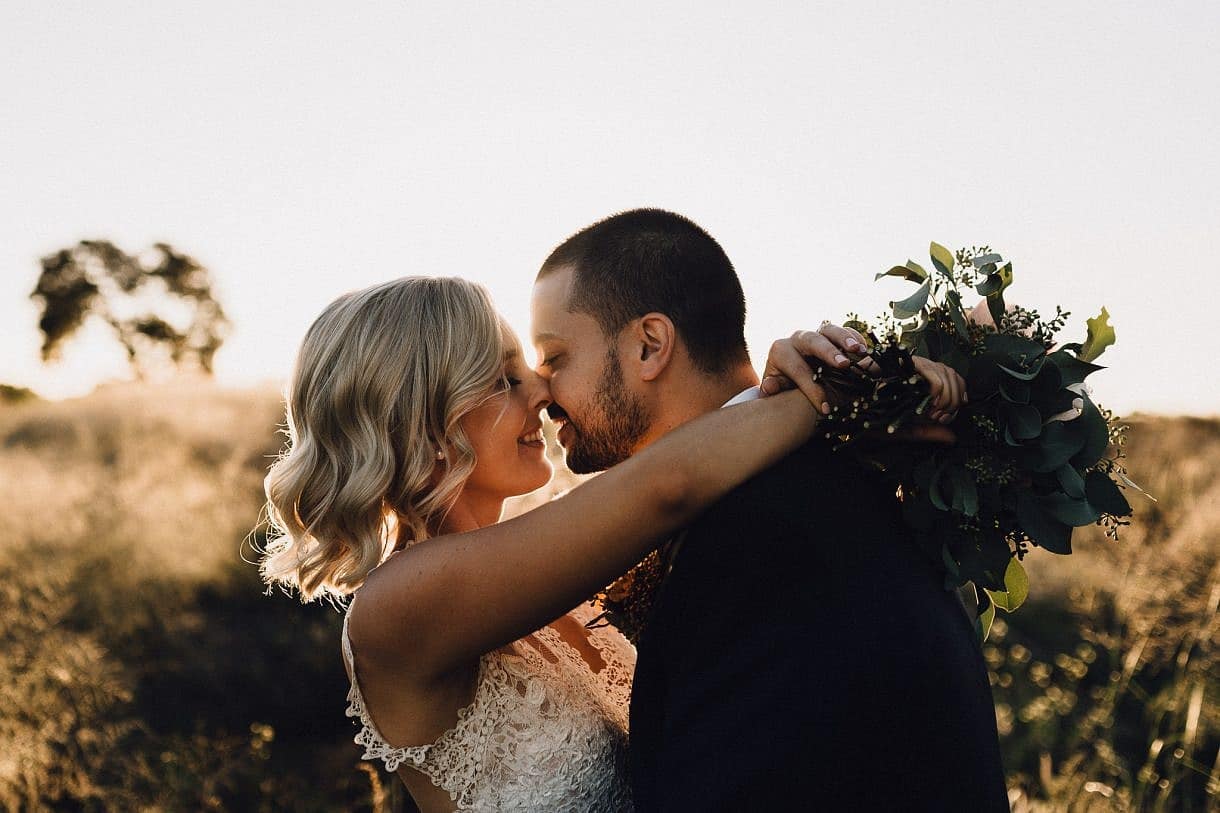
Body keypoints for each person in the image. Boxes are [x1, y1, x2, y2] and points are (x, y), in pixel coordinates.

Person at [260, 275, 876, 811]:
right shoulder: (400, 604)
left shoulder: (554, 561)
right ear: (423, 419)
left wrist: (783, 376)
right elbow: (668, 485)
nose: (544, 394)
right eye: (505, 380)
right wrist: (839, 391)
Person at [530, 208, 1009, 811]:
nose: (541, 393)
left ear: (649, 346)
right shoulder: (815, 480)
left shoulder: (760, 541)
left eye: (554, 358)